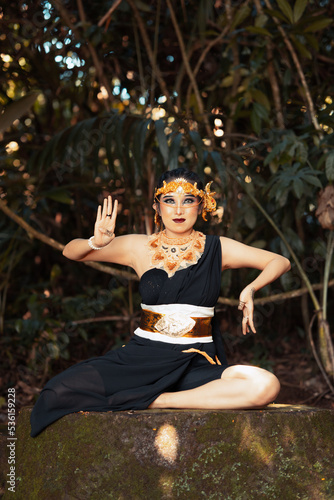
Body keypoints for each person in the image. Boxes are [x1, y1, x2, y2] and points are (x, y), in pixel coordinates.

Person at [30, 167, 290, 437]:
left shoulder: (217, 248)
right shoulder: (139, 246)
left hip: (194, 360)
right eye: (169, 200)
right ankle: (143, 391)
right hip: (142, 357)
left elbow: (280, 261)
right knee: (57, 391)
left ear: (201, 206)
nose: (178, 209)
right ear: (157, 206)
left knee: (265, 385)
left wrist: (251, 288)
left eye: (188, 200)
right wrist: (96, 242)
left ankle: (155, 400)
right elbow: (70, 251)